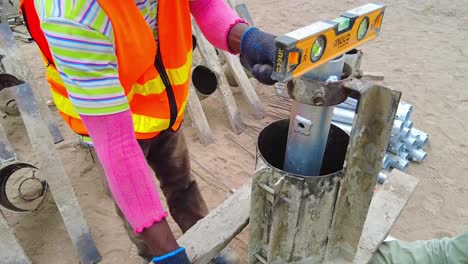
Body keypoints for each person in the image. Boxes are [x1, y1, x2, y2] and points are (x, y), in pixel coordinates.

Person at [19, 0, 277, 263]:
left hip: (162, 109)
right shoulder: (71, 15)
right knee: (134, 202)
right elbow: (117, 148)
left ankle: (205, 238)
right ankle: (152, 253)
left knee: (181, 183)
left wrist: (245, 38)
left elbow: (204, 3)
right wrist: (169, 255)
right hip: (109, 121)